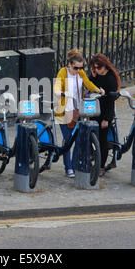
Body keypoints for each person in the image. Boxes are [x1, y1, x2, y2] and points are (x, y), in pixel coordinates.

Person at [52, 49, 105, 178]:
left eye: (81, 68)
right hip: (64, 111)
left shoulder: (80, 74)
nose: (78, 70)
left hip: (78, 110)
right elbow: (57, 85)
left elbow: (88, 83)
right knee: (67, 140)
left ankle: (74, 165)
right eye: (76, 68)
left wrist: (98, 90)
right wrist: (59, 92)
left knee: (77, 139)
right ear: (70, 64)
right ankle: (68, 168)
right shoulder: (63, 72)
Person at [88, 53, 121, 177]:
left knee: (102, 140)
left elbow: (110, 101)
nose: (97, 70)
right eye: (94, 67)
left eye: (99, 68)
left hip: (105, 112)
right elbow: (90, 87)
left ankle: (101, 166)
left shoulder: (110, 78)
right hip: (93, 110)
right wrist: (93, 76)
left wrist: (106, 119)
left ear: (105, 66)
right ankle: (91, 159)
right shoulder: (97, 75)